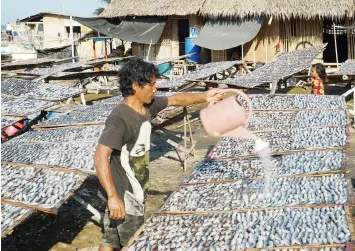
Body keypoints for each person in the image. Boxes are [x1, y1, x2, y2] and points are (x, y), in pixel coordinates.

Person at [94, 58, 225, 251]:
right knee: (131, 243)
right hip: (128, 195)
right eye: (152, 84)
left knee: (110, 240)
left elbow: (175, 99)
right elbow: (99, 156)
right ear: (136, 85)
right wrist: (113, 197)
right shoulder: (119, 118)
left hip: (130, 190)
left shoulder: (146, 106)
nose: (155, 89)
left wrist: (206, 96)